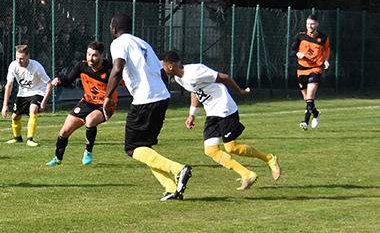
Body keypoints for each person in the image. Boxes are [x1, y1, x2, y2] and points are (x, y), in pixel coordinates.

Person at [160, 51, 281, 190]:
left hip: (225, 109)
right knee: (211, 150)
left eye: (162, 66)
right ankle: (247, 174)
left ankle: (270, 159)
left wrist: (240, 92)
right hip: (212, 112)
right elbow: (194, 90)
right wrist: (192, 114)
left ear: (170, 66)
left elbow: (224, 77)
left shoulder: (195, 71)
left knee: (232, 147)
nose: (161, 70)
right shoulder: (180, 78)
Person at [102, 14, 192, 201]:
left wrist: (107, 96)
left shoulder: (118, 43)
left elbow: (117, 69)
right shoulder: (143, 44)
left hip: (145, 99)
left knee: (132, 148)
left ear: (114, 30)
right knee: (145, 148)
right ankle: (171, 189)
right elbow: (162, 73)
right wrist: (161, 105)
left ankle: (179, 169)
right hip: (159, 96)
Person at [45, 41, 114, 166]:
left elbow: (127, 84)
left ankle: (88, 152)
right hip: (87, 102)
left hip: (104, 105)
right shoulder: (82, 66)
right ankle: (57, 159)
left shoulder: (110, 70)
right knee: (64, 131)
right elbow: (67, 80)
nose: (90, 58)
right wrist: (59, 81)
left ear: (101, 56)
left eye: (94, 55)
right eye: (88, 54)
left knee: (90, 119)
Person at [2, 45, 53, 147]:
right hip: (23, 93)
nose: (19, 61)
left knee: (33, 109)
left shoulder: (36, 67)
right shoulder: (13, 66)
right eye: (17, 58)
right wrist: (5, 104)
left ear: (28, 57)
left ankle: (30, 139)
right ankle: (17, 138)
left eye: (21, 58)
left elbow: (49, 84)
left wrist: (43, 103)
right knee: (15, 116)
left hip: (38, 92)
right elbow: (9, 85)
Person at [290, 14, 330, 131]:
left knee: (311, 95)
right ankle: (316, 113)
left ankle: (305, 121)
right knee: (306, 98)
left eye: (312, 24)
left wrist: (326, 60)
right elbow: (291, 51)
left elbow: (327, 49)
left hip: (315, 69)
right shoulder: (300, 36)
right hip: (302, 69)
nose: (310, 26)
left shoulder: (323, 38)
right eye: (308, 24)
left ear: (317, 24)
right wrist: (297, 54)